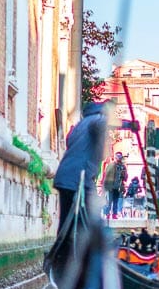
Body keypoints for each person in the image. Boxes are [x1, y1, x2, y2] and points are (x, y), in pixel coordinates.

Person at [49, 101, 106, 277]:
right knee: (90, 220)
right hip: (79, 180)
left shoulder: (78, 126)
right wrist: (128, 125)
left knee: (66, 220)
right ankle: (87, 260)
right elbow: (101, 125)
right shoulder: (98, 120)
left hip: (64, 177)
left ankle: (62, 257)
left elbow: (71, 142)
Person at [102, 151, 129, 219]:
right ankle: (107, 214)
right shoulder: (111, 165)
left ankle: (114, 214)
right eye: (117, 156)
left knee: (116, 201)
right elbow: (106, 175)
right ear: (115, 157)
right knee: (109, 201)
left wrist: (124, 174)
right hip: (110, 186)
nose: (118, 158)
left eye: (120, 156)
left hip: (118, 187)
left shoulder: (123, 166)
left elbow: (125, 178)